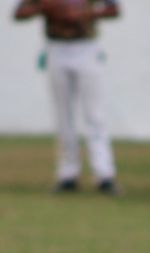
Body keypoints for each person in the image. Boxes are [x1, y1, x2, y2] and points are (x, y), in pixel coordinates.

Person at [12, 0, 121, 195]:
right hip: (56, 46)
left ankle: (104, 174)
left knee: (94, 114)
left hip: (86, 47)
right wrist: (46, 8)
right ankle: (67, 173)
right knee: (63, 114)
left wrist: (85, 14)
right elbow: (19, 13)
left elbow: (114, 9)